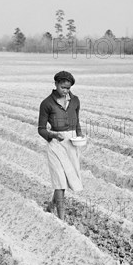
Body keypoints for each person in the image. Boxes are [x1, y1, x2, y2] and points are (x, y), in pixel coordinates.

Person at [37, 71, 84, 219]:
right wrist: (53, 135)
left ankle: (51, 206)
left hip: (71, 143)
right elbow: (41, 129)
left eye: (68, 88)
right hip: (56, 143)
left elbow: (77, 121)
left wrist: (79, 135)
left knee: (68, 177)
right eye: (63, 87)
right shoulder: (46, 104)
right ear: (56, 84)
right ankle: (61, 218)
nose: (65, 91)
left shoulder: (75, 101)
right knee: (59, 181)